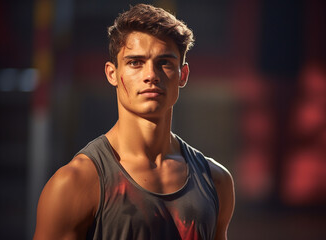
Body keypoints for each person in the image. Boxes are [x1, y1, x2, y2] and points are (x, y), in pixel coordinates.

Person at [33, 3, 235, 240]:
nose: (150, 75)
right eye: (135, 62)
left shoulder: (215, 180)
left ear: (183, 75)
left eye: (164, 63)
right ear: (112, 74)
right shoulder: (75, 184)